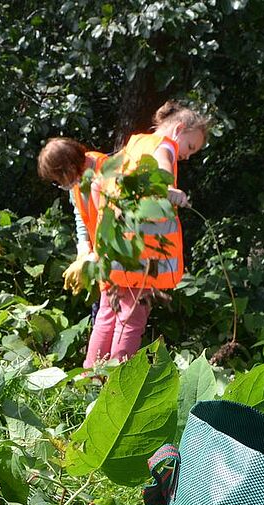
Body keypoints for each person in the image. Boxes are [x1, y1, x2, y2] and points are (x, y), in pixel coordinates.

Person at [86, 102, 210, 370]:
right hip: (139, 255)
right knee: (131, 320)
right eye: (190, 146)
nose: (187, 155)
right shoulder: (165, 145)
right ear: (179, 129)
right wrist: (170, 190)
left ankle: (90, 377)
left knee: (107, 314)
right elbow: (163, 167)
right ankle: (117, 381)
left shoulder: (135, 144)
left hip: (113, 245)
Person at [36, 137, 109, 295]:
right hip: (104, 260)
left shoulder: (107, 174)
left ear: (68, 168)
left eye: (58, 180)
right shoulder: (76, 179)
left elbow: (118, 226)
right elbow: (80, 212)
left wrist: (91, 259)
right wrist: (83, 245)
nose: (60, 185)